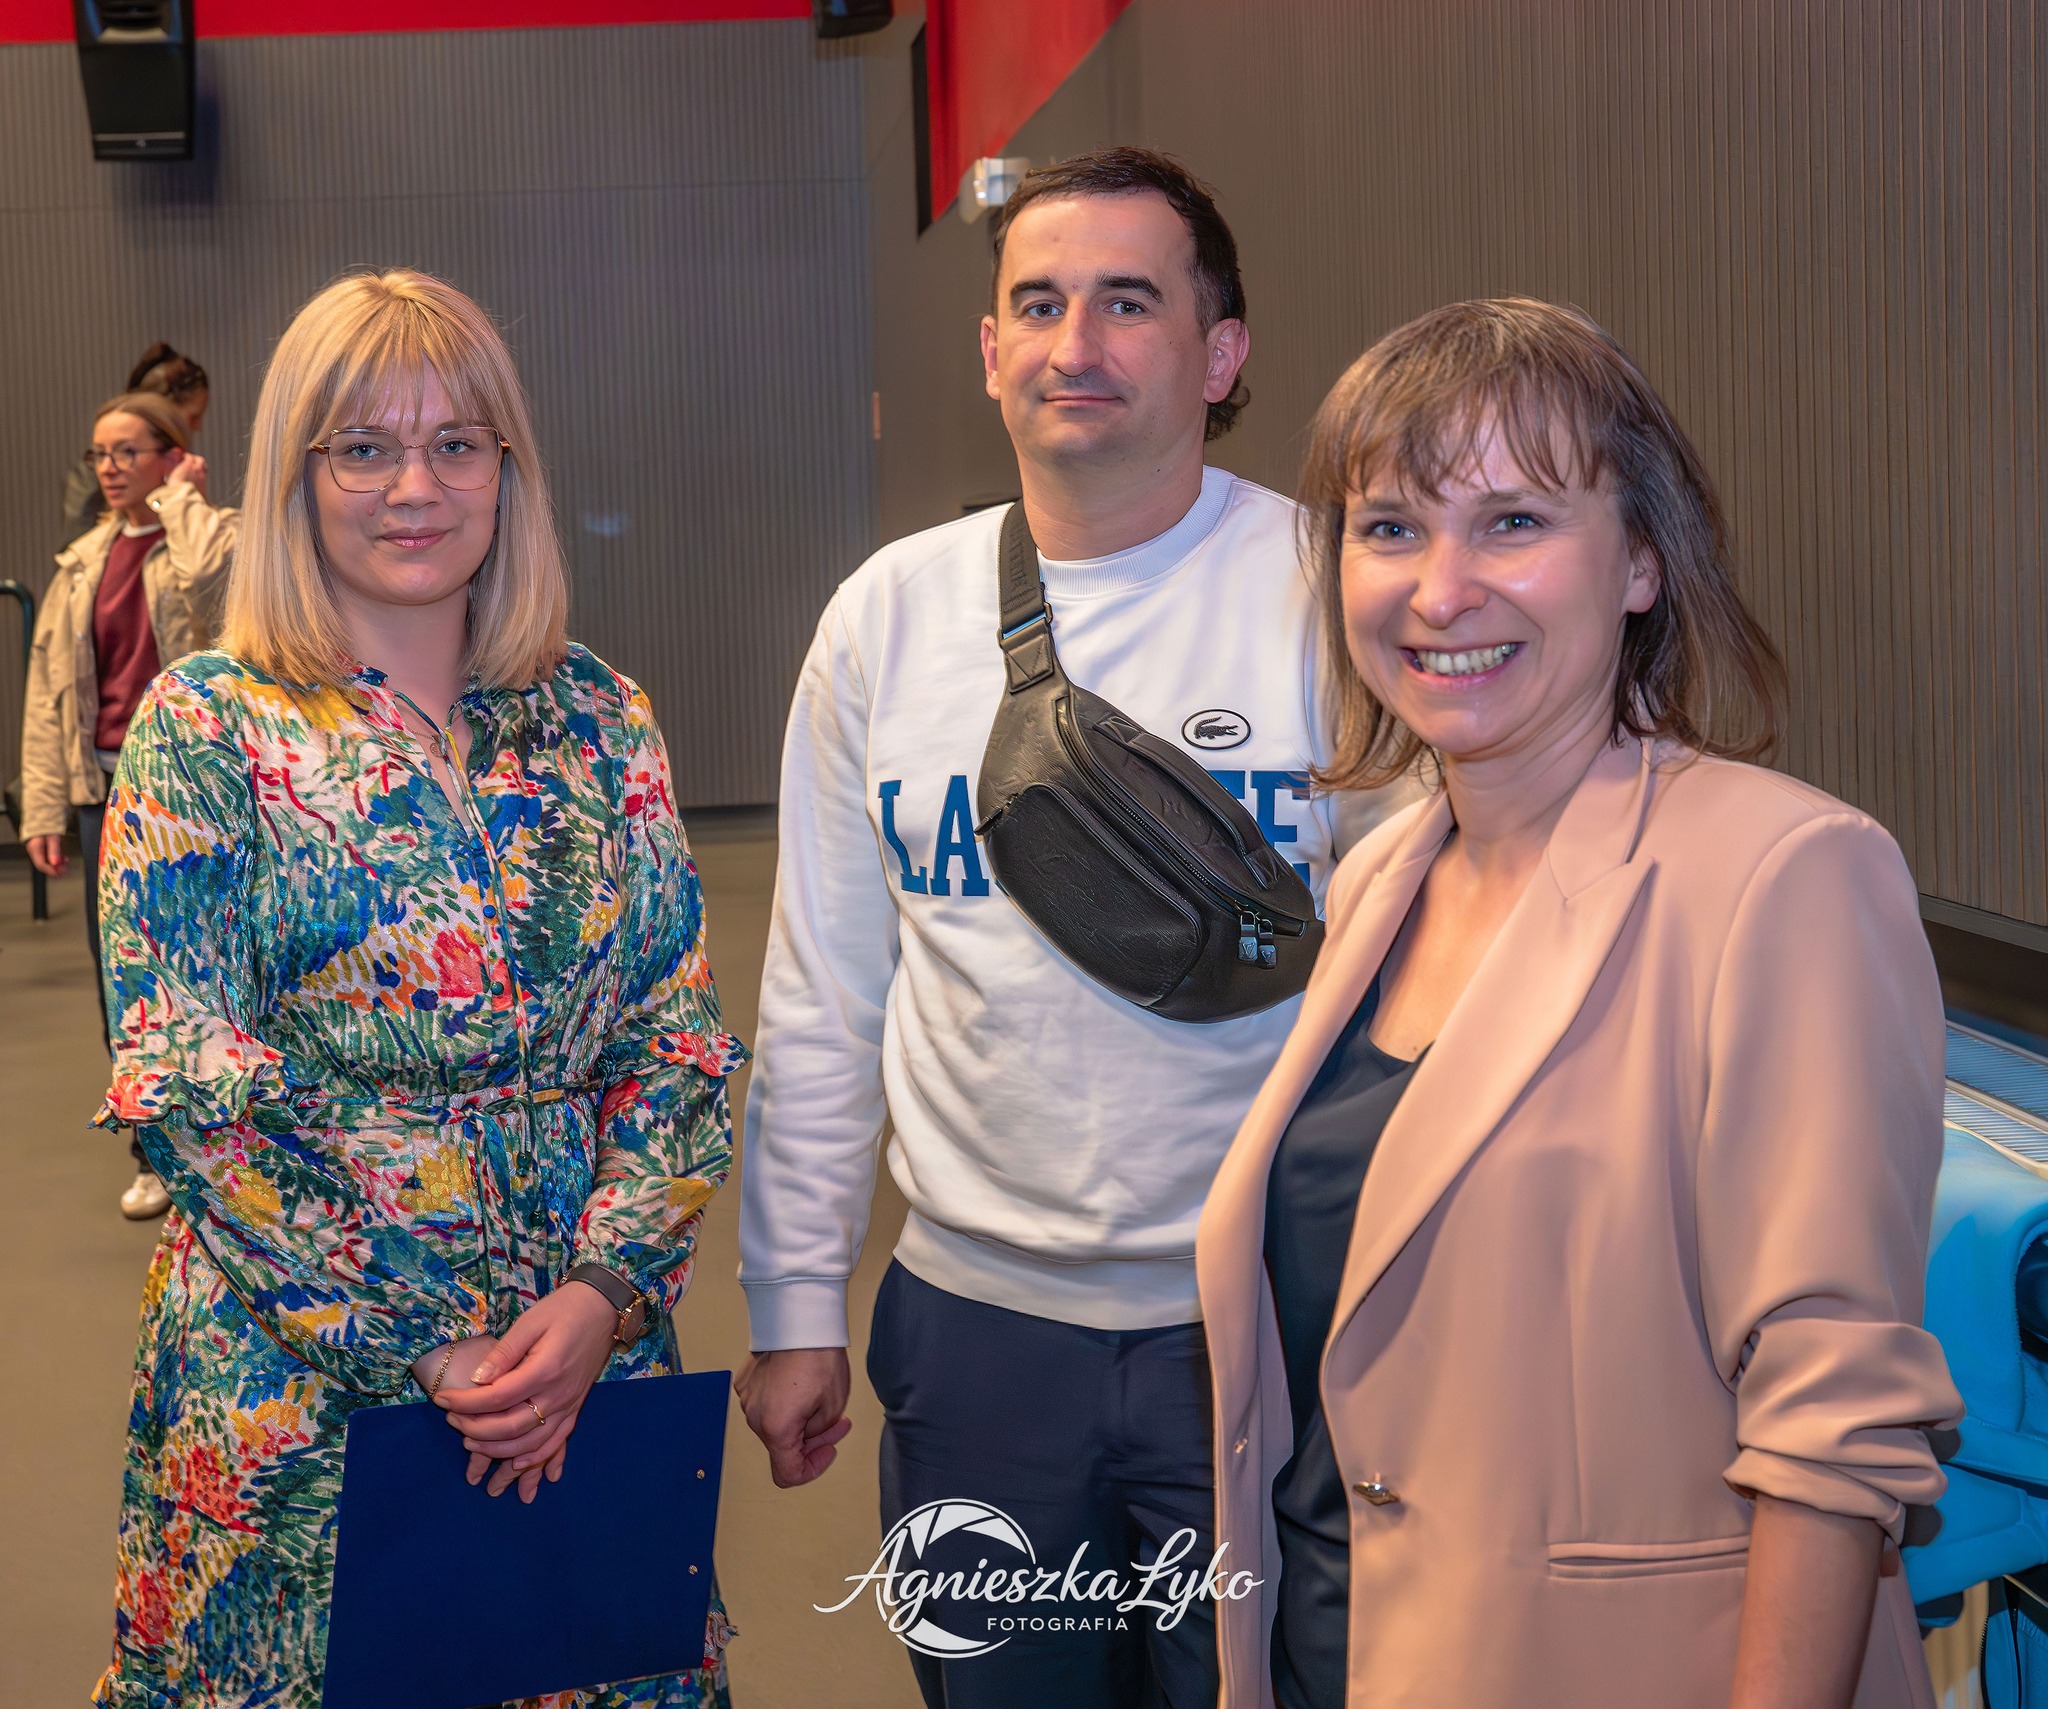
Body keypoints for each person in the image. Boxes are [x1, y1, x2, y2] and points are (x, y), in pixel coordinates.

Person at [1195, 298, 1962, 1709]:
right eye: (1389, 526)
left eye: (1512, 522)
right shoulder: (1379, 878)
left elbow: (1833, 1430)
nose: (1439, 590)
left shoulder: (1782, 876)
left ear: (1642, 562)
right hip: (1332, 1650)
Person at [735, 148, 1415, 1708]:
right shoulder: (888, 617)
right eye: (1038, 305)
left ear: (1221, 351)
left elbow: (1434, 982)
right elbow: (827, 995)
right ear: (990, 352)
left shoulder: (1340, 594)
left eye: (1128, 302)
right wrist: (795, 1304)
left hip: (1262, 1327)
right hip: (976, 1343)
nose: (1076, 344)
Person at [90, 269, 742, 1709]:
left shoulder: (598, 716)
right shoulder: (209, 729)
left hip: (578, 1372)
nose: (415, 487)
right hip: (302, 1384)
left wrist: (601, 1294)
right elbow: (188, 1083)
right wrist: (431, 1347)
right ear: (294, 472)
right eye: (364, 447)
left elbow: (674, 1044)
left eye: (457, 443)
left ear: (509, 468)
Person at [23, 387, 236, 1220]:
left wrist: (181, 500)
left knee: (211, 970)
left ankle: (227, 1152)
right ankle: (154, 1154)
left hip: (193, 790)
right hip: (105, 792)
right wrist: (45, 807)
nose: (109, 468)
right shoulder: (81, 562)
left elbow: (212, 585)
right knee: (127, 983)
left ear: (173, 456)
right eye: (99, 454)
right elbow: (48, 692)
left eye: (127, 452)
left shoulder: (212, 533)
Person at [60, 343, 211, 545]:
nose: (107, 469)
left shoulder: (208, 525)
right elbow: (75, 549)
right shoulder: (95, 543)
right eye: (193, 416)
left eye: (126, 452)